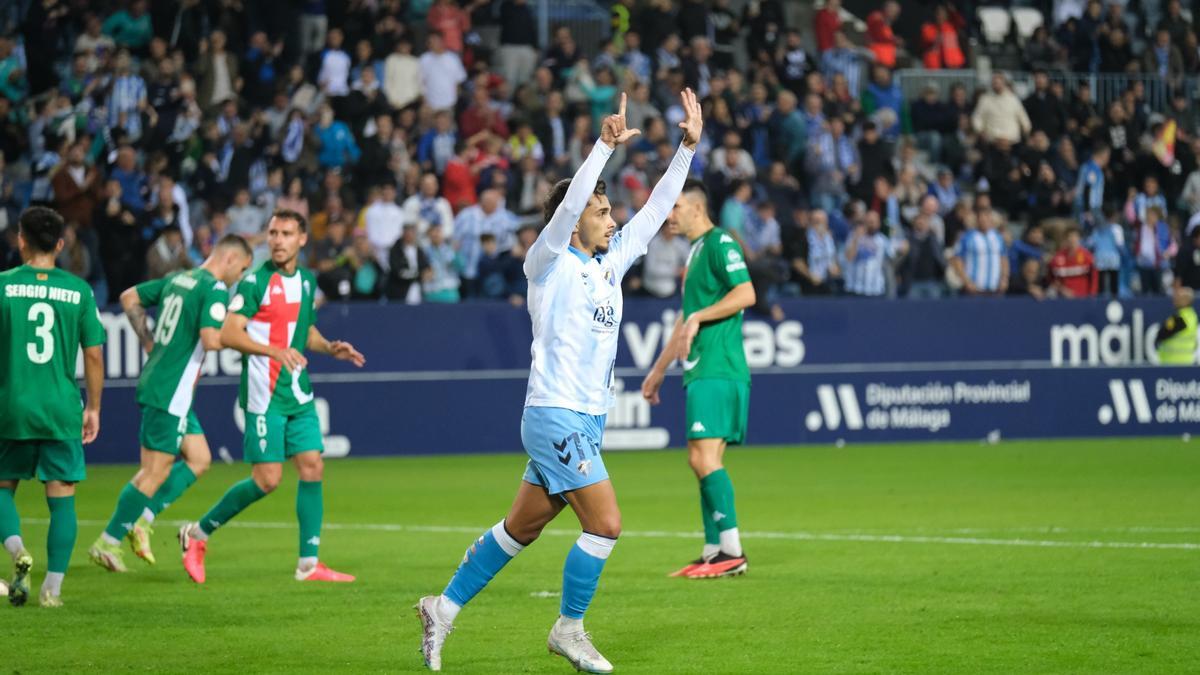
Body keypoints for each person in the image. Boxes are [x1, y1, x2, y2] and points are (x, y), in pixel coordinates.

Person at [415, 90, 701, 673]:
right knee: (607, 523)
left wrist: (686, 151)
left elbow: (652, 214)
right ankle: (569, 629)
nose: (611, 218)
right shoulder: (546, 261)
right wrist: (601, 148)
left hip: (586, 417)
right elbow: (571, 205)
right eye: (601, 212)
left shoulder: (607, 264)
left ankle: (441, 608)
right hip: (555, 412)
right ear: (572, 224)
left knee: (520, 528)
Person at [177, 210, 365, 585]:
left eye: (286, 233)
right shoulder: (254, 283)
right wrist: (273, 351)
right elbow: (228, 334)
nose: (277, 240)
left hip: (298, 391)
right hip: (264, 397)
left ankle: (308, 564)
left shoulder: (307, 282)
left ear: (302, 240)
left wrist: (328, 347)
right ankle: (197, 534)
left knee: (312, 466)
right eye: (273, 233)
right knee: (267, 480)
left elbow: (302, 330)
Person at [88, 237, 252, 572]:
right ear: (232, 258)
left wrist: (149, 341)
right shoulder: (215, 289)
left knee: (200, 458)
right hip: (171, 392)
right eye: (243, 269)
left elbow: (128, 296)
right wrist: (248, 341)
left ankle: (142, 522)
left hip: (166, 386)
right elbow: (210, 338)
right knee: (153, 472)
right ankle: (108, 541)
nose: (239, 277)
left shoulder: (179, 278)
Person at [640, 177, 755, 579]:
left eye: (675, 207)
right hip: (701, 369)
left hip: (718, 367)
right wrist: (656, 373)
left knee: (704, 458)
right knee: (699, 458)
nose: (669, 215)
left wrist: (698, 317)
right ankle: (713, 550)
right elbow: (682, 323)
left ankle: (732, 550)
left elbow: (746, 294)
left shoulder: (721, 243)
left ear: (697, 209)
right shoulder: (695, 254)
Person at [0, 207, 105, 607]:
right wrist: (93, 407)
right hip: (62, 408)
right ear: (61, 245)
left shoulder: (3, 286)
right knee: (61, 496)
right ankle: (52, 590)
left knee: (2, 488)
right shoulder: (79, 291)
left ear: (21, 240)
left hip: (11, 405)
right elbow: (93, 356)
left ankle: (17, 553)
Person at [1154, 286, 1197, 364]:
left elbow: (1162, 334)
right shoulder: (1192, 315)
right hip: (1185, 362)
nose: (1175, 300)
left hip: (1174, 363)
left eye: (1179, 297)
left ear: (1187, 300)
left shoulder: (1180, 318)